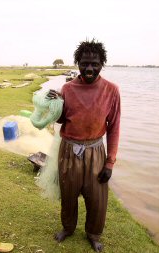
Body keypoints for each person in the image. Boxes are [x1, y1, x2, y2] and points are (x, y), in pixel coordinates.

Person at [47, 39, 121, 252]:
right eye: (84, 63)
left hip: (96, 151)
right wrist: (56, 104)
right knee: (68, 194)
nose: (89, 69)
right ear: (77, 63)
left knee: (97, 198)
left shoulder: (111, 90)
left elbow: (114, 127)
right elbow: (63, 120)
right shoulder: (67, 88)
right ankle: (68, 228)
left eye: (95, 64)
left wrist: (110, 162)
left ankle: (93, 234)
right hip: (69, 150)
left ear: (102, 64)